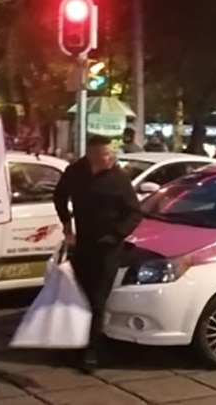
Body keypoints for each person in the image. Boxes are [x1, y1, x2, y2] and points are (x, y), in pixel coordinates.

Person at [53, 134, 143, 372]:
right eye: (104, 154)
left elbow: (134, 212)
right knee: (79, 295)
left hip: (108, 246)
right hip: (83, 243)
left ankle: (92, 351)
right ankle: (76, 345)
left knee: (97, 298)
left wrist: (116, 234)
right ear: (91, 155)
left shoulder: (118, 179)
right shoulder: (76, 172)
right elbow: (59, 195)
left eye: (110, 153)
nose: (109, 157)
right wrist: (66, 224)